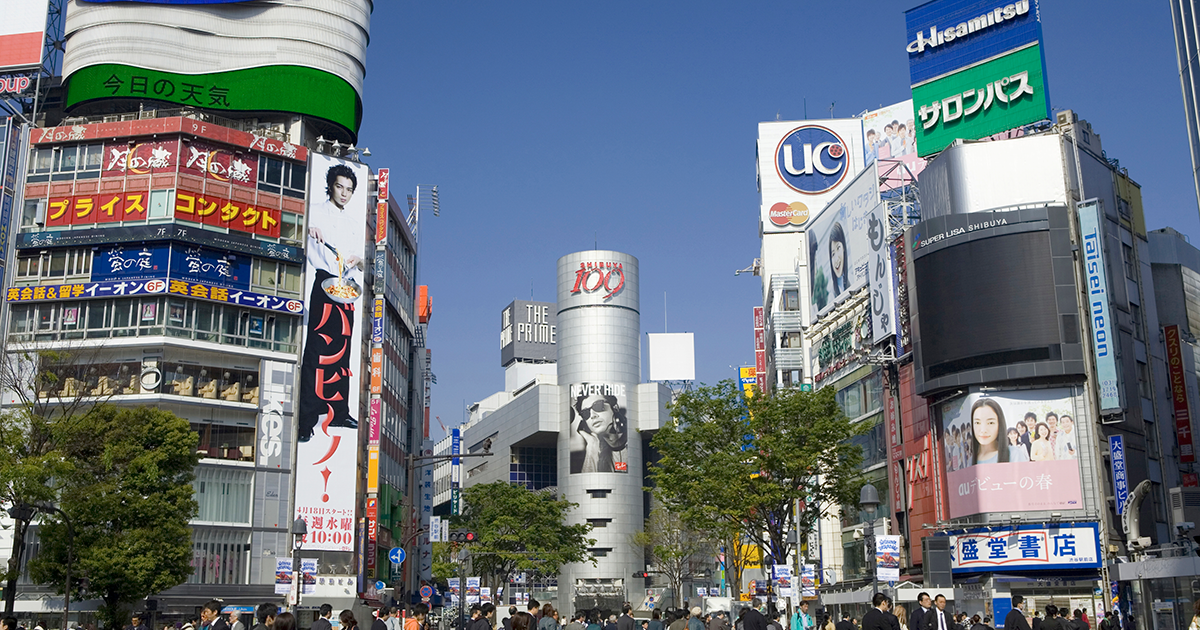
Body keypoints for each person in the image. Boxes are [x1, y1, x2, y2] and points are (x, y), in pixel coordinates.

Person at [298, 162, 365, 443]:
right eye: (340, 187)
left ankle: (339, 410)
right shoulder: (313, 208)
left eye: (349, 189)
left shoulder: (354, 222)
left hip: (347, 286)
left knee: (343, 349)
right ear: (330, 186)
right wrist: (309, 228)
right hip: (324, 281)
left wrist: (359, 260)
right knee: (317, 348)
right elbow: (297, 228)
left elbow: (363, 260)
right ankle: (307, 418)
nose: (344, 194)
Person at [569, 389, 629, 473]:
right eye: (586, 413)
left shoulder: (634, 441)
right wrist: (591, 447)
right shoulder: (593, 450)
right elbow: (587, 484)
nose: (593, 415)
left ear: (615, 408)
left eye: (598, 406)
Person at [969, 398, 1009, 465]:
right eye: (977, 423)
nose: (983, 430)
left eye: (990, 423)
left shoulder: (1014, 454)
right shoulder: (969, 460)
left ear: (1000, 424)